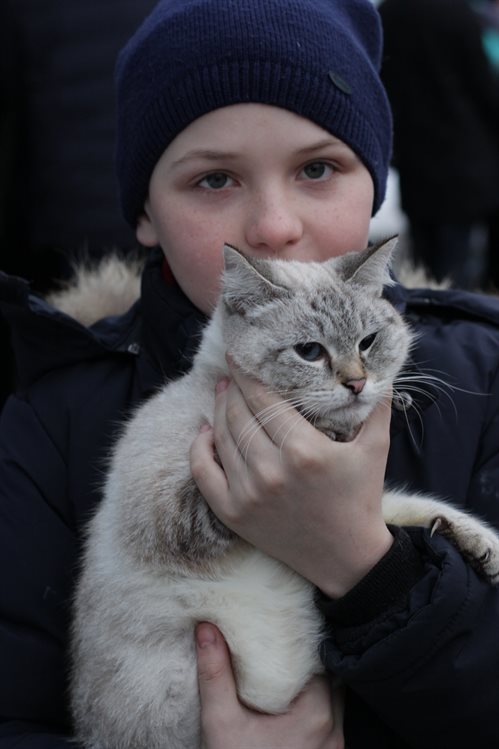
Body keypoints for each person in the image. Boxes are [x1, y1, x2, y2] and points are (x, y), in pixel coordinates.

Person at [1, 0, 499, 747]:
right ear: (144, 213)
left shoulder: (482, 381)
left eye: (318, 168)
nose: (272, 226)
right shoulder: (49, 417)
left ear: (375, 181)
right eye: (213, 181)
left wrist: (366, 568)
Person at [378, 0, 499, 289]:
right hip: (467, 164)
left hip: (415, 163)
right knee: (460, 268)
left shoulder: (388, 14)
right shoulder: (457, 13)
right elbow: (484, 88)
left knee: (426, 265)